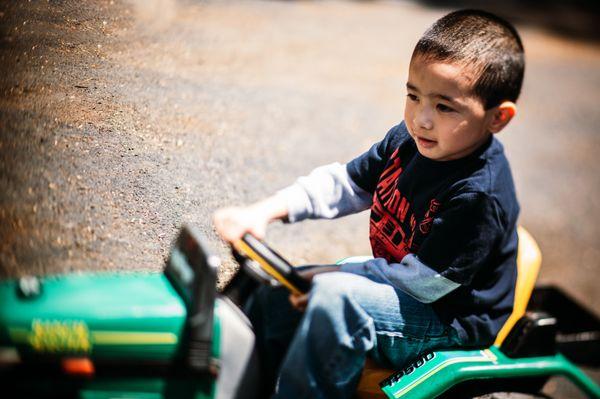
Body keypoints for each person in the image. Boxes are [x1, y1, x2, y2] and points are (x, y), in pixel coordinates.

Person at [214, 9, 524, 399]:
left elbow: (424, 285)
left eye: (445, 107)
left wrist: (337, 273)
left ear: (498, 117)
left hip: (448, 320)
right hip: (404, 288)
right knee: (275, 292)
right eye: (413, 96)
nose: (421, 119)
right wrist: (262, 212)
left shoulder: (479, 194)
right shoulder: (409, 141)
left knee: (337, 300)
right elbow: (345, 183)